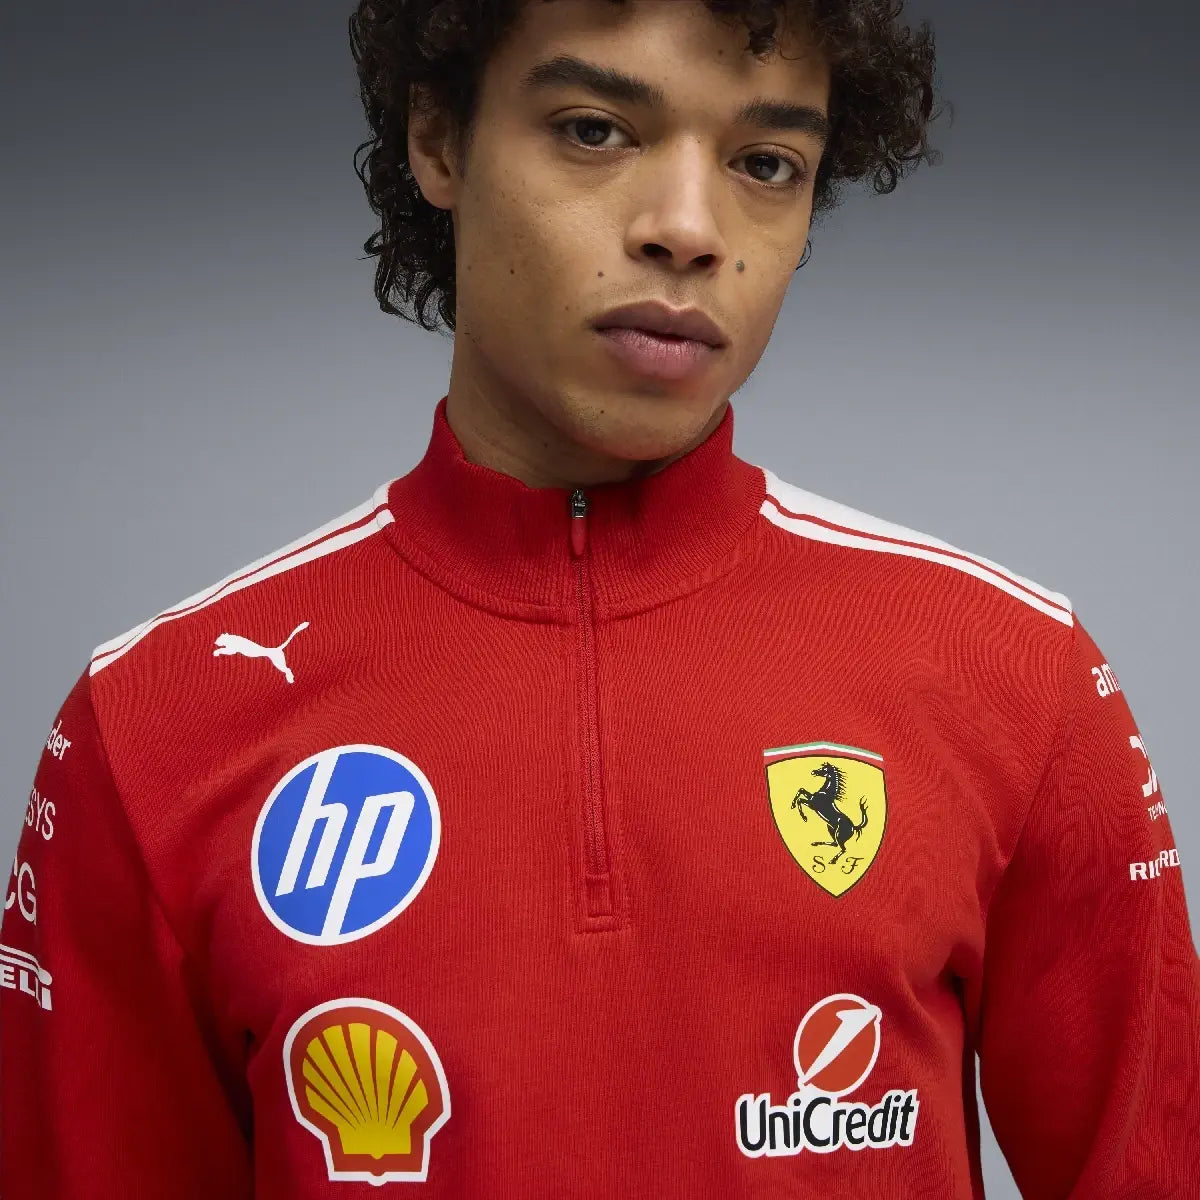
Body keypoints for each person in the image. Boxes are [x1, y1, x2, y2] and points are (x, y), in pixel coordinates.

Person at [2, 0, 1197, 1195]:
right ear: (439, 138)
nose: (688, 229)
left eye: (765, 163)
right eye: (594, 130)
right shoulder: (150, 724)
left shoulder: (1019, 673)